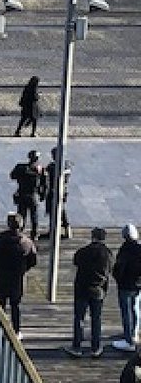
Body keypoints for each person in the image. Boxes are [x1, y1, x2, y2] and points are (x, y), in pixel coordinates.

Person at [0, 213, 38, 338]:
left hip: (1, 277)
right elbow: (33, 260)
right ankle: (16, 331)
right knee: (16, 305)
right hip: (18, 279)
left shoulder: (0, 241)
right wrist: (24, 269)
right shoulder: (26, 243)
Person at [64, 227, 113, 358]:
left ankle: (77, 347)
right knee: (96, 319)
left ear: (93, 237)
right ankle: (95, 347)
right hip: (99, 290)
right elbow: (110, 270)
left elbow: (76, 261)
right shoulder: (108, 254)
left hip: (82, 289)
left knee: (79, 318)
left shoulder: (83, 251)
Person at [114, 226, 141, 352]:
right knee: (135, 309)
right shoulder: (140, 248)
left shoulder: (125, 250)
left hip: (126, 285)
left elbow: (119, 268)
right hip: (138, 284)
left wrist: (118, 279)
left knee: (126, 312)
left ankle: (128, 340)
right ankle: (134, 332)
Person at [10, 150, 45, 240]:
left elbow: (12, 176)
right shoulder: (40, 169)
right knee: (34, 215)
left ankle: (20, 231)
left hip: (22, 193)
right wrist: (42, 195)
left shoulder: (21, 167)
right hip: (33, 195)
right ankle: (35, 233)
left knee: (22, 214)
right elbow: (44, 183)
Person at [43, 146, 72, 239]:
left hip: (54, 191)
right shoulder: (66, 165)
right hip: (63, 191)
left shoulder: (53, 166)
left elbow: (46, 176)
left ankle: (53, 231)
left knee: (53, 212)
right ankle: (67, 230)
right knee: (61, 210)